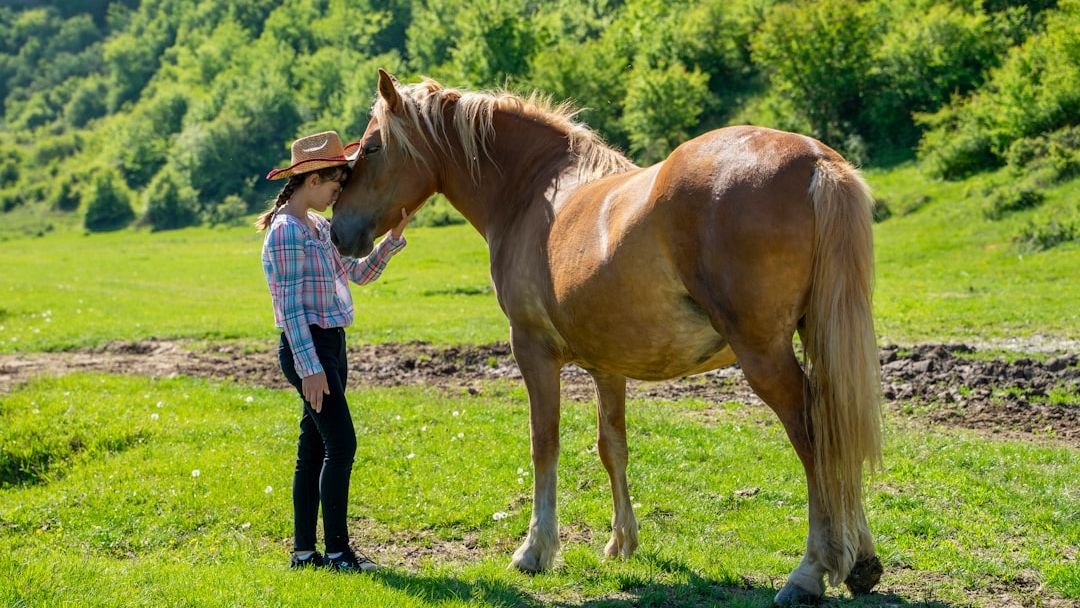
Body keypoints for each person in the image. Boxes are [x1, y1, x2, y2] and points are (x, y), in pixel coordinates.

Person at [257, 130, 413, 572]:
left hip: (331, 344)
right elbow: (290, 308)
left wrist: (392, 241)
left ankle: (305, 554)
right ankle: (340, 553)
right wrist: (310, 367)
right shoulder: (286, 233)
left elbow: (358, 274)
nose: (338, 194)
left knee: (313, 447)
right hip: (308, 348)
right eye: (335, 184)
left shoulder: (320, 227)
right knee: (342, 445)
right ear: (312, 180)